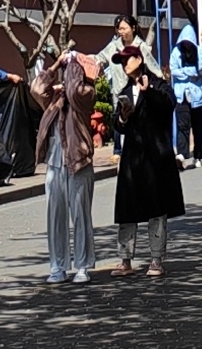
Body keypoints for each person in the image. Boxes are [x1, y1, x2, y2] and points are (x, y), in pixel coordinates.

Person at [110, 54, 186, 275]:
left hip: (155, 156)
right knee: (127, 209)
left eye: (127, 60)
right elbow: (118, 125)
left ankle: (156, 259)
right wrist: (123, 117)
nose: (125, 65)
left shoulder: (157, 84)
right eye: (121, 62)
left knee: (157, 208)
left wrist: (148, 92)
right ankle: (125, 260)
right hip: (132, 158)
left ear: (139, 59)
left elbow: (169, 104)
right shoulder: (124, 91)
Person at [29, 42, 97, 285]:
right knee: (55, 216)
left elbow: (75, 92)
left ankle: (83, 265)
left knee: (80, 216)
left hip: (79, 162)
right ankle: (57, 266)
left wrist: (75, 63)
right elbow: (36, 89)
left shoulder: (86, 94)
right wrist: (57, 63)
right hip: (55, 163)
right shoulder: (54, 98)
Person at [169, 27, 202, 162]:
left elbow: (199, 71)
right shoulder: (176, 52)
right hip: (181, 96)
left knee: (197, 126)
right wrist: (189, 73)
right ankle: (182, 154)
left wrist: (184, 72)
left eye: (189, 42)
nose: (186, 45)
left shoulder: (201, 52)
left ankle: (198, 155)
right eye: (184, 42)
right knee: (182, 125)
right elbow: (173, 70)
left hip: (197, 96)